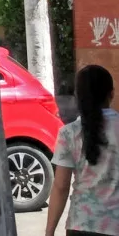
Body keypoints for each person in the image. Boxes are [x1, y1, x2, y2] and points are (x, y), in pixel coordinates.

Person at [46, 65, 119, 236]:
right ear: (112, 94)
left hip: (80, 225)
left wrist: (49, 232)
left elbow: (61, 186)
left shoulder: (69, 133)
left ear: (78, 97)